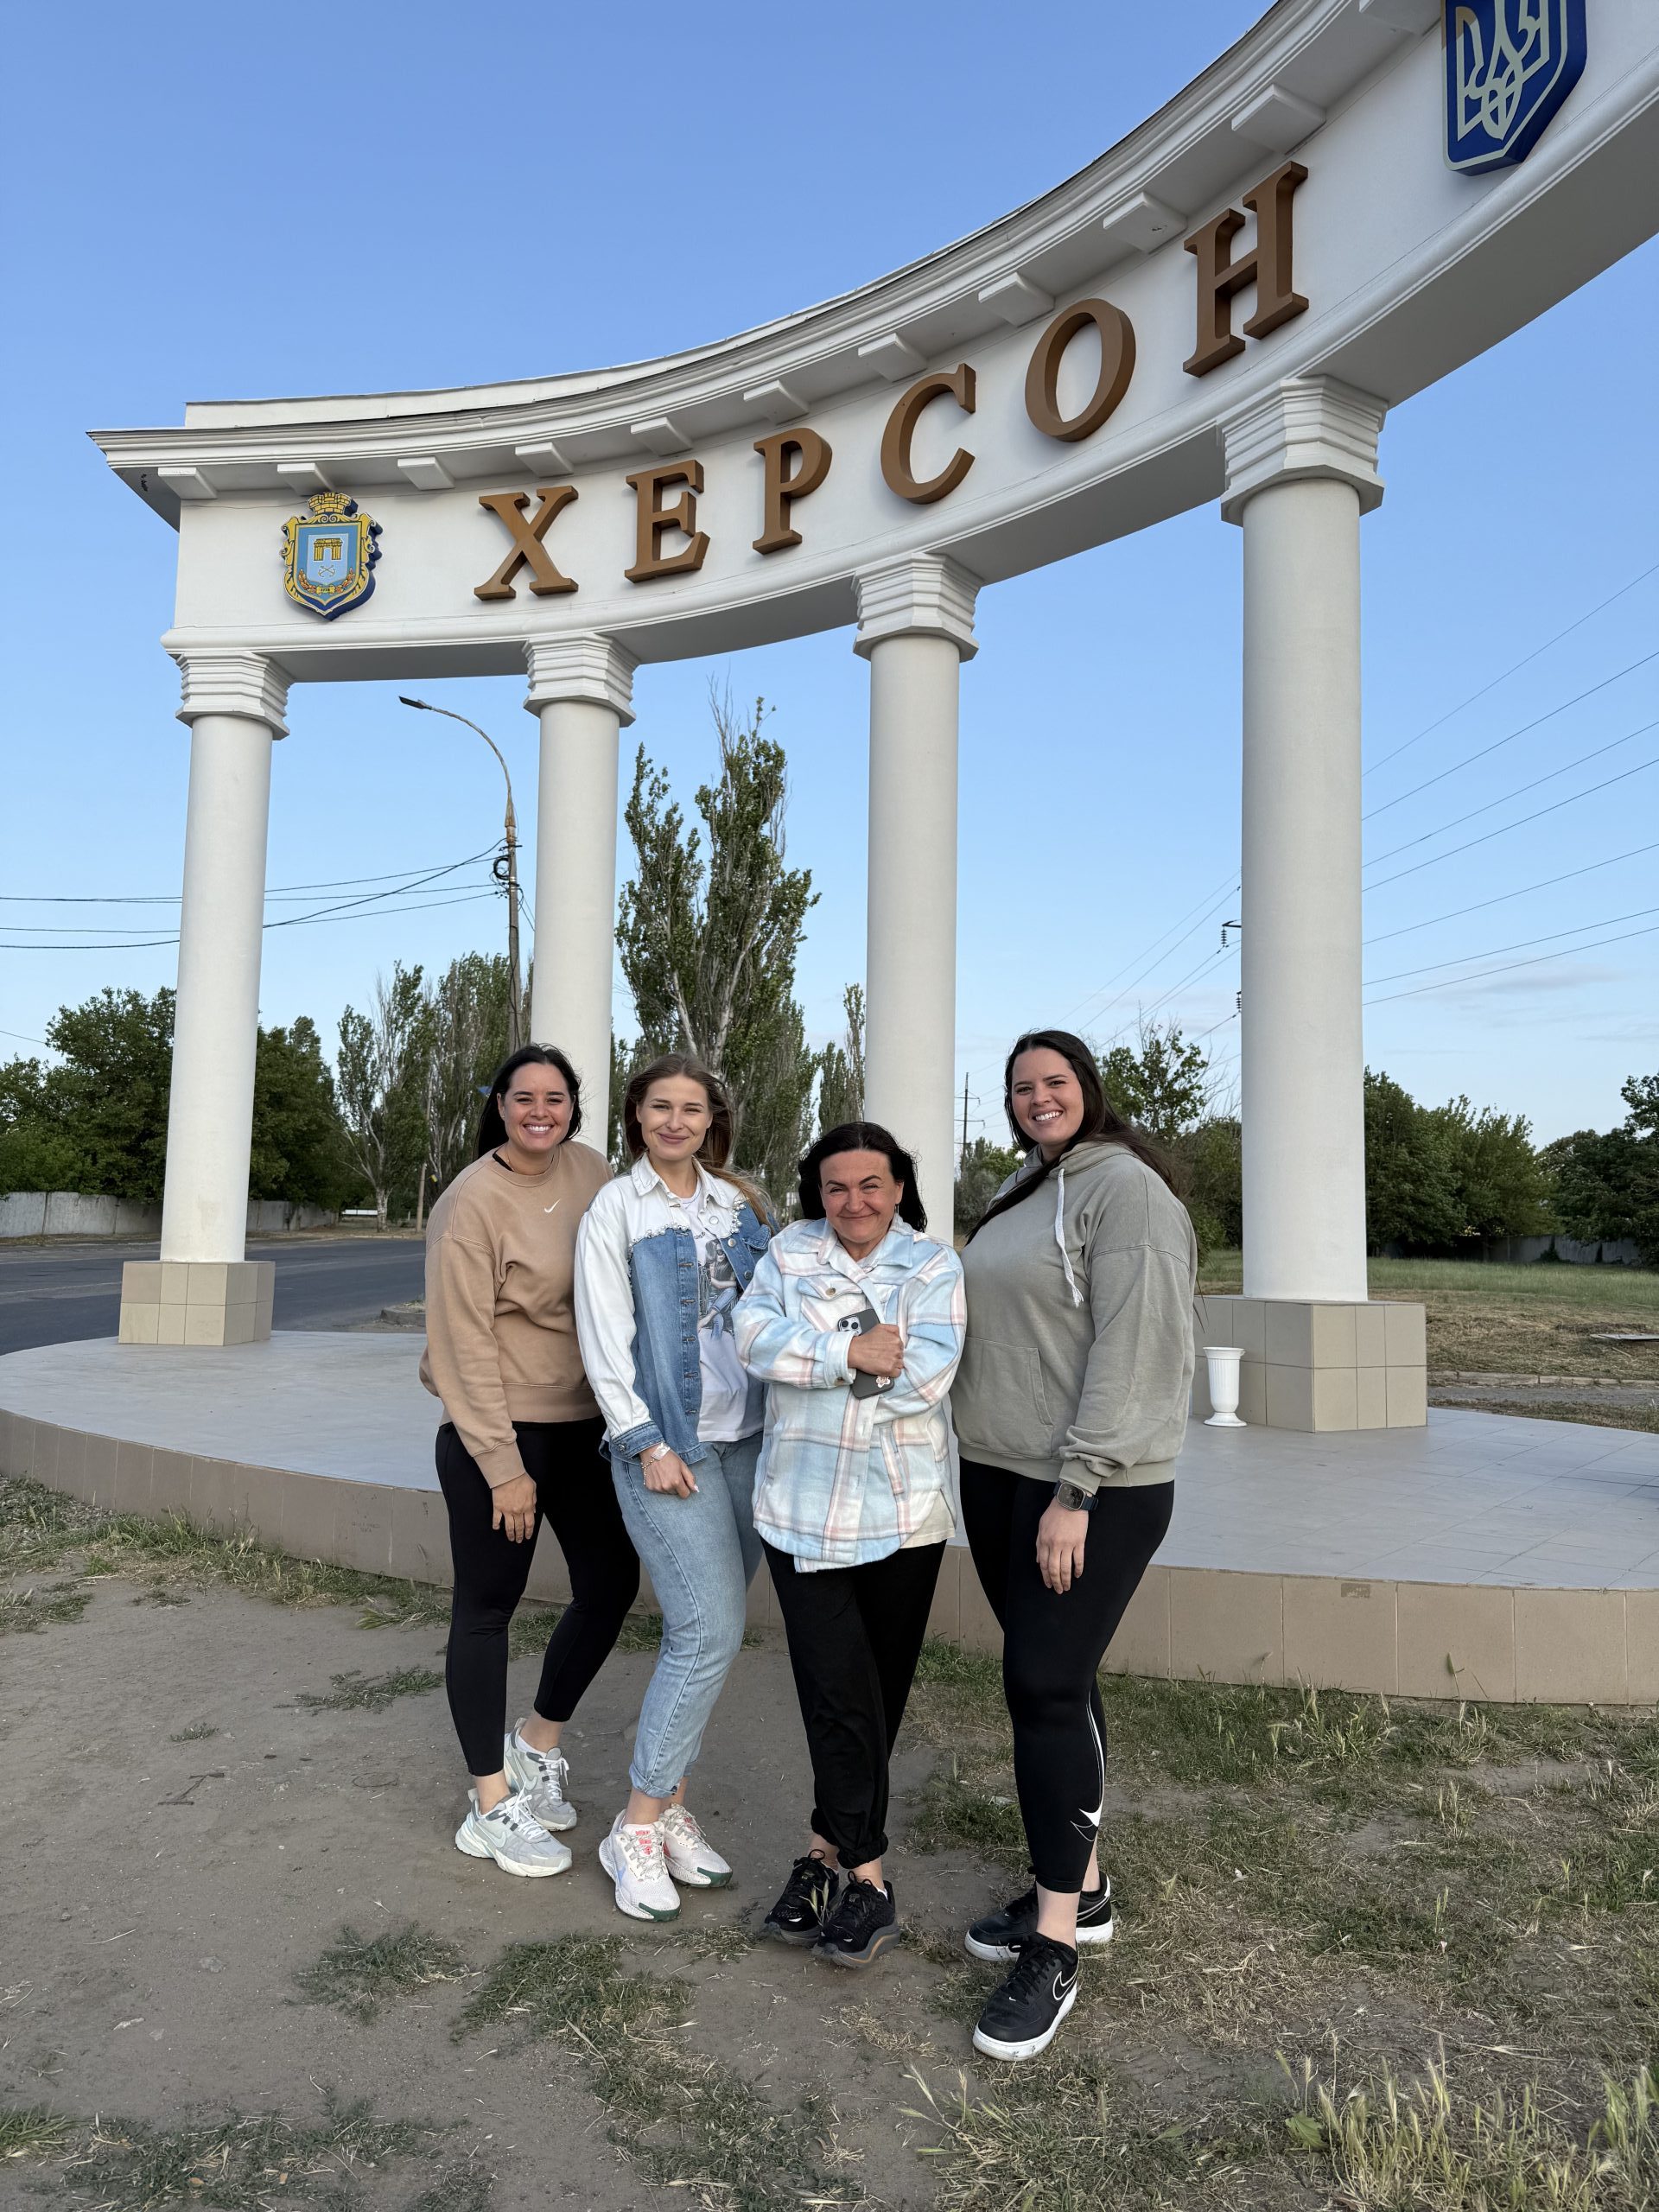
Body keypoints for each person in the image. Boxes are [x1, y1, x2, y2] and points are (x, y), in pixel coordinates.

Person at [950, 1028, 1196, 2062]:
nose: (1037, 1097)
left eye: (1055, 1082)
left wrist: (1079, 1487)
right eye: (1021, 1086)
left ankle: (1055, 1946)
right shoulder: (1025, 1186)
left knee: (1044, 1685)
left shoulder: (1126, 1191)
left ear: (1089, 1091)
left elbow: (1136, 1345)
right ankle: (1082, 1888)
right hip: (1001, 1471)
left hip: (1085, 1487)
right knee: (1060, 1678)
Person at [735, 1122, 965, 1969]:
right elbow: (751, 1339)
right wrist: (849, 1352)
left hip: (904, 1518)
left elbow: (928, 1377)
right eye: (837, 1187)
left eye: (872, 1185)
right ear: (817, 1193)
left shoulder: (934, 1266)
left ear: (899, 1187)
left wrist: (817, 1369)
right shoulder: (790, 1252)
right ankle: (870, 1878)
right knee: (834, 1688)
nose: (854, 1202)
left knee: (876, 1694)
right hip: (801, 1511)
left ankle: (822, 1853)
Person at [421, 1044, 641, 1878]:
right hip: (499, 1432)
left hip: (583, 1426)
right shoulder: (471, 1202)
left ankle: (536, 1743)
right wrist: (503, 1466)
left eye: (556, 1097)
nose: (539, 1110)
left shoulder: (591, 1172)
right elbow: (461, 1343)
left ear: (573, 1107)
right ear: (502, 1106)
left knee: (611, 1582)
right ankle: (488, 1804)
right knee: (488, 1607)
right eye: (524, 1098)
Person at [573, 1053, 773, 1921]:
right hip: (670, 1449)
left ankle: (672, 1804)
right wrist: (645, 1438)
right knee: (707, 1628)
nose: (676, 1121)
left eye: (692, 1108)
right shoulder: (617, 1209)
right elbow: (603, 1336)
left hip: (751, 1444)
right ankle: (639, 1826)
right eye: (661, 1106)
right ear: (636, 1117)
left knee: (708, 1637)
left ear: (711, 1120)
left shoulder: (741, 1205)